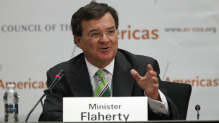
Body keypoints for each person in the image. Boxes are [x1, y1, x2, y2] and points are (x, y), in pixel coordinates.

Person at [39, 1, 179, 121]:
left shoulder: (141, 68)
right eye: (95, 34)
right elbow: (50, 118)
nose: (105, 39)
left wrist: (153, 96)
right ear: (78, 40)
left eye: (111, 32)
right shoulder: (60, 75)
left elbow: (169, 118)